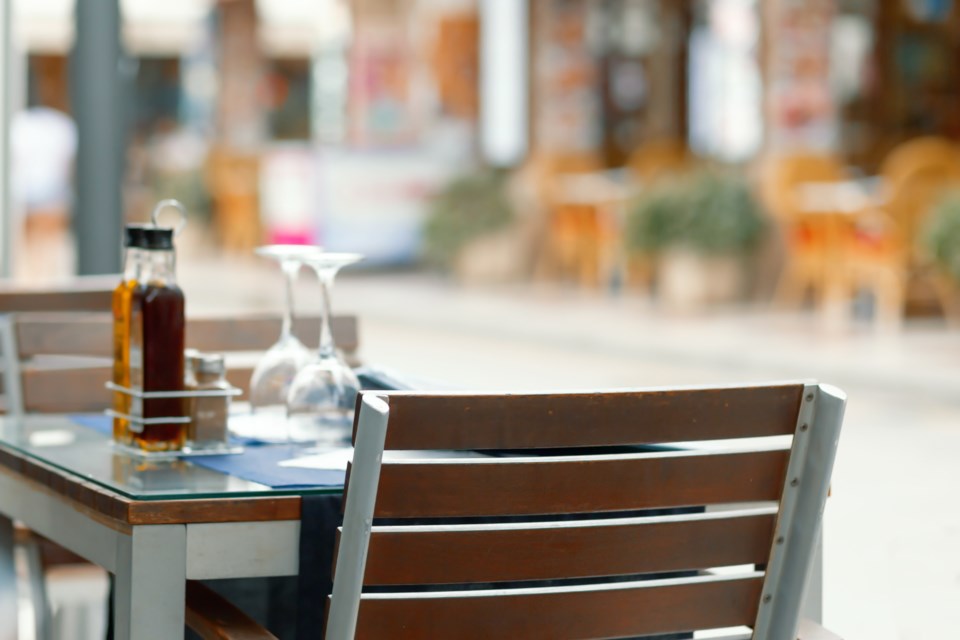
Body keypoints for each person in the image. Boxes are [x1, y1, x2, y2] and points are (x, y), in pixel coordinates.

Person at [11, 105, 78, 281]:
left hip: (38, 195)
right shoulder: (60, 125)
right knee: (39, 253)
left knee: (40, 253)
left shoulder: (24, 123)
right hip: (37, 196)